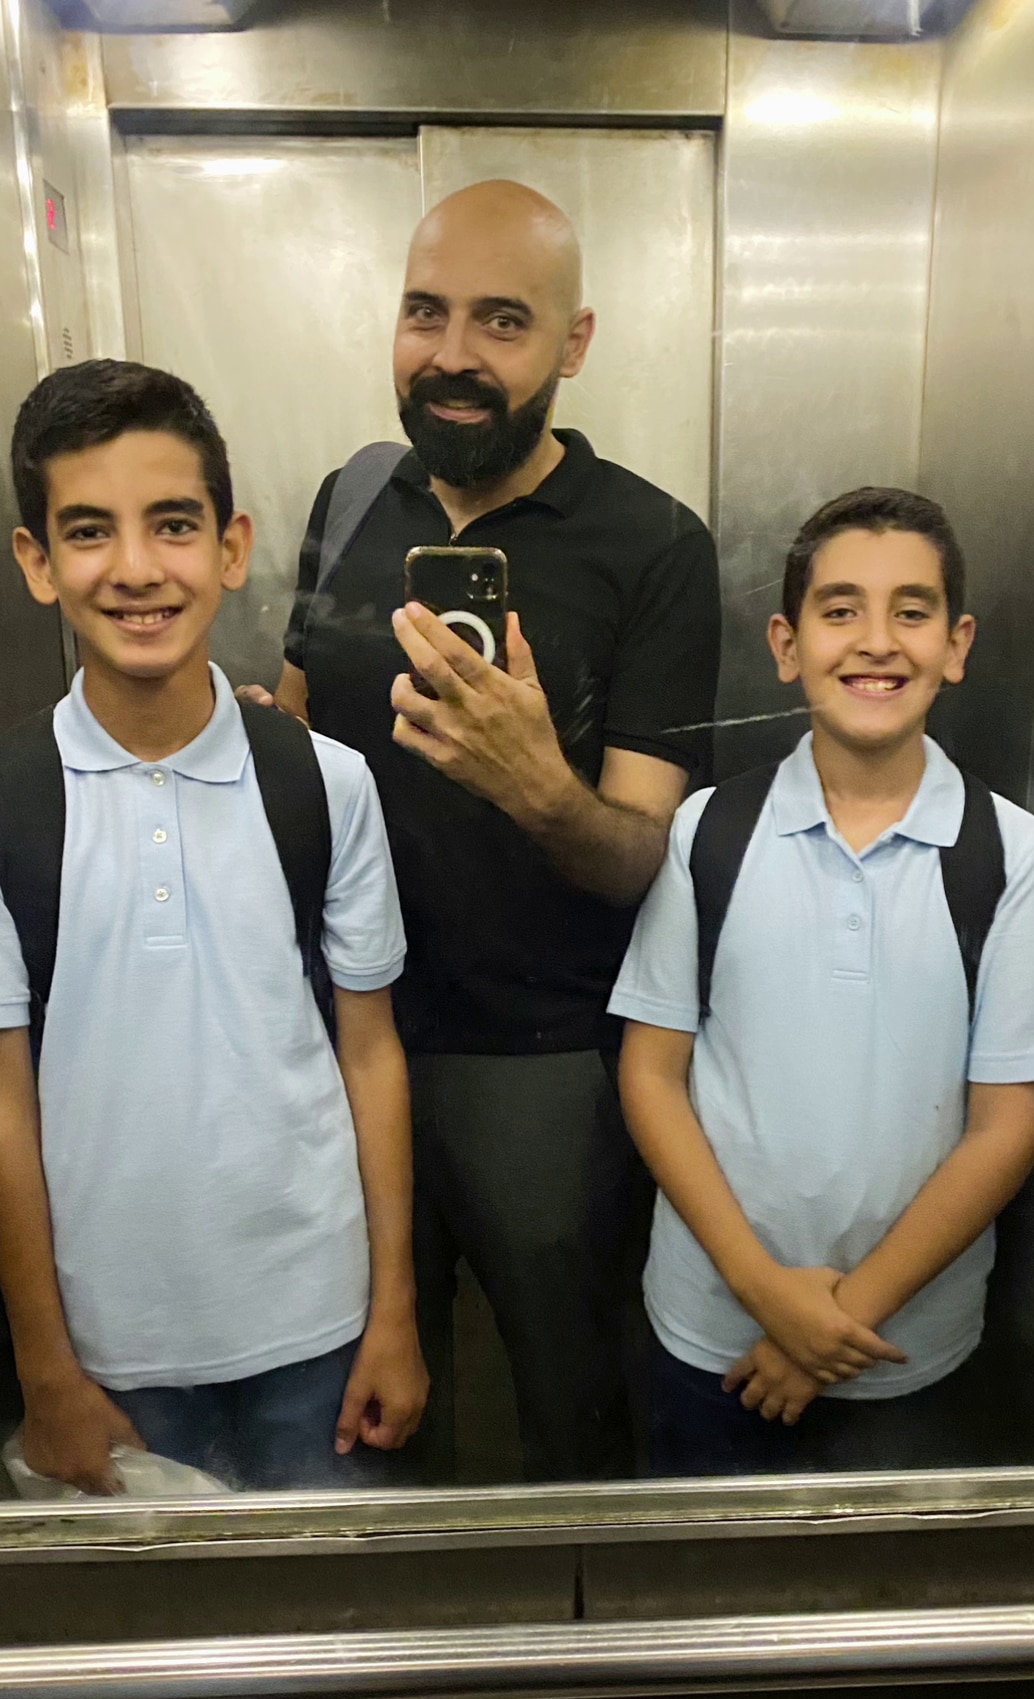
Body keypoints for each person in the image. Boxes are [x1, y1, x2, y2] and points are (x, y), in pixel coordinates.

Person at [247, 179, 721, 1481]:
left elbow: (639, 855)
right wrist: (250, 739)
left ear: (572, 346)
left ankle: (587, 1662)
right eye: (425, 312)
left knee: (572, 1405)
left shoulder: (654, 547)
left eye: (501, 321)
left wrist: (536, 784)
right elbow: (301, 721)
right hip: (339, 1046)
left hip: (543, 1073)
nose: (452, 354)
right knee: (372, 1412)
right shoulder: (349, 502)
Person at [0, 359, 428, 1496]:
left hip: (321, 1332)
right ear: (37, 562)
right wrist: (45, 1371)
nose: (137, 569)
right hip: (111, 1354)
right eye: (89, 531)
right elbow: (3, 1103)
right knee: (155, 1663)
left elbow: (370, 1053)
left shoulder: (325, 785)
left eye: (174, 525)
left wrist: (395, 1310)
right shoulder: (11, 806)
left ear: (232, 548)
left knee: (332, 1647)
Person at [611, 486, 1034, 1476]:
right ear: (786, 644)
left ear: (956, 645)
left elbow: (1007, 1126)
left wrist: (837, 1323)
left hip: (903, 1352)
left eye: (911, 611)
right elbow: (652, 1075)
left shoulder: (1015, 856)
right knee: (702, 1606)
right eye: (839, 610)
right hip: (710, 1334)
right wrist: (767, 1293)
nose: (877, 641)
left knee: (880, 1617)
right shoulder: (709, 832)